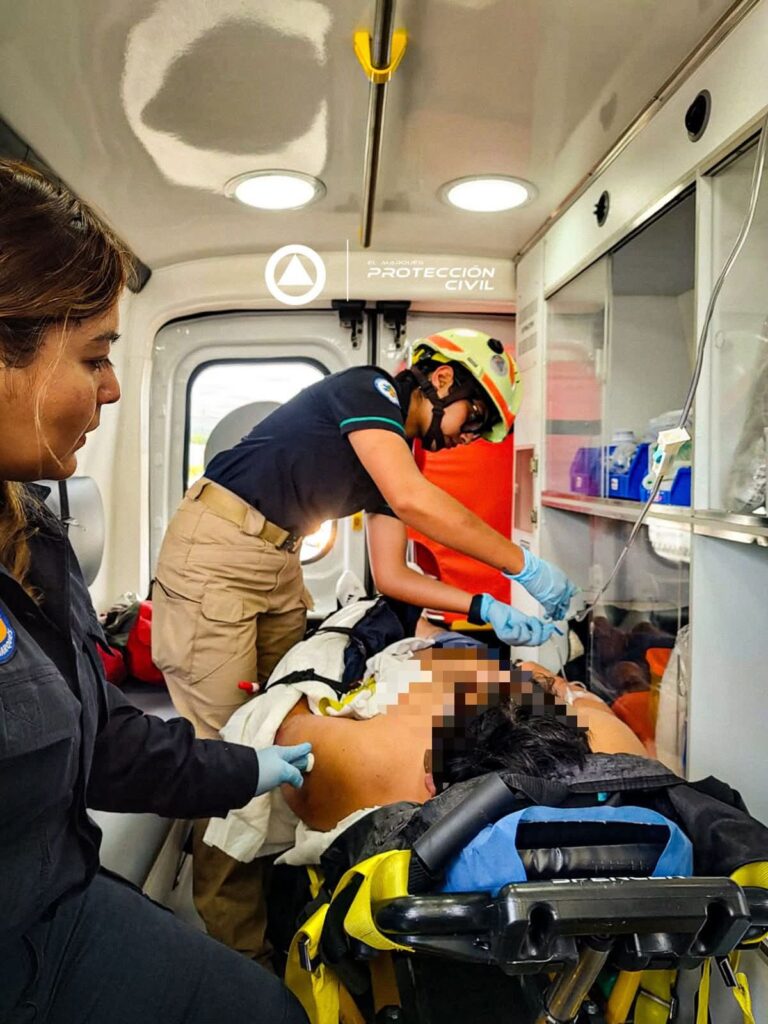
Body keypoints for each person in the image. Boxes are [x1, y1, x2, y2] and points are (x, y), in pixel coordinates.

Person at [151, 328, 578, 957]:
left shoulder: (388, 453)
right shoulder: (368, 389)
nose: (471, 435)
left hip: (277, 564)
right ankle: (240, 955)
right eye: (476, 415)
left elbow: (393, 577)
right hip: (219, 554)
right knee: (230, 752)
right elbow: (415, 501)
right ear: (441, 379)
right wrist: (523, 565)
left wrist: (482, 607)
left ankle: (280, 905)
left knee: (283, 724)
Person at [0, 158, 310, 1024]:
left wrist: (245, 767)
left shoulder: (32, 535)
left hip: (50, 905)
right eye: (95, 355)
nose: (113, 388)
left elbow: (95, 737)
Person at [273, 652, 647, 833]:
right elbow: (576, 698)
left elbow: (285, 723)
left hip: (422, 666)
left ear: (431, 782)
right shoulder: (614, 748)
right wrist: (564, 690)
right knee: (532, 671)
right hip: (490, 682)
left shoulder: (367, 764)